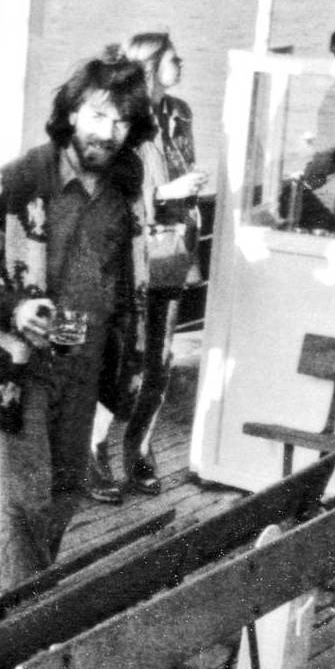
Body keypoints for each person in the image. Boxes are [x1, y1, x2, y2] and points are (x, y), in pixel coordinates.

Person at [0, 51, 151, 594]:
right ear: (70, 113)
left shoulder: (125, 191)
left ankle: (17, 589)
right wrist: (15, 309)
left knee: (66, 489)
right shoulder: (16, 181)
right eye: (96, 115)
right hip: (22, 365)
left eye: (121, 121)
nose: (107, 132)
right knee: (28, 494)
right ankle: (23, 612)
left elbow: (128, 280)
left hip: (85, 367)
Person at [91, 33, 207, 500]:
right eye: (172, 57)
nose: (181, 61)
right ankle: (93, 452)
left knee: (159, 361)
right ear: (150, 64)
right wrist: (164, 194)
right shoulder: (120, 116)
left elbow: (185, 169)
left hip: (172, 252)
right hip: (128, 255)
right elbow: (106, 186)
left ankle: (138, 451)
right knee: (118, 361)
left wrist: (184, 193)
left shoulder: (179, 113)